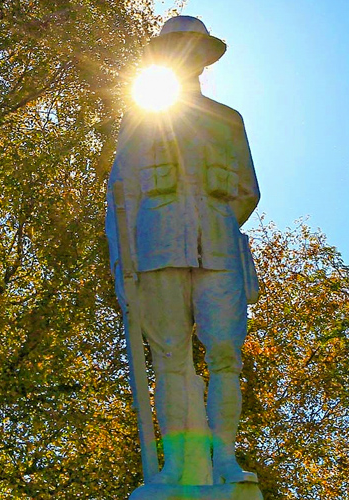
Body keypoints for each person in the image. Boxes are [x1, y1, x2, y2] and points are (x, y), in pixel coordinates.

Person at [105, 15, 260, 486]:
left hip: (217, 244)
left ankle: (225, 460)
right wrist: (122, 262)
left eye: (194, 49)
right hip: (156, 245)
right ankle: (178, 466)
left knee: (225, 352)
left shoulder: (228, 120)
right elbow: (121, 194)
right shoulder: (140, 120)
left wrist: (215, 219)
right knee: (170, 355)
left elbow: (247, 190)